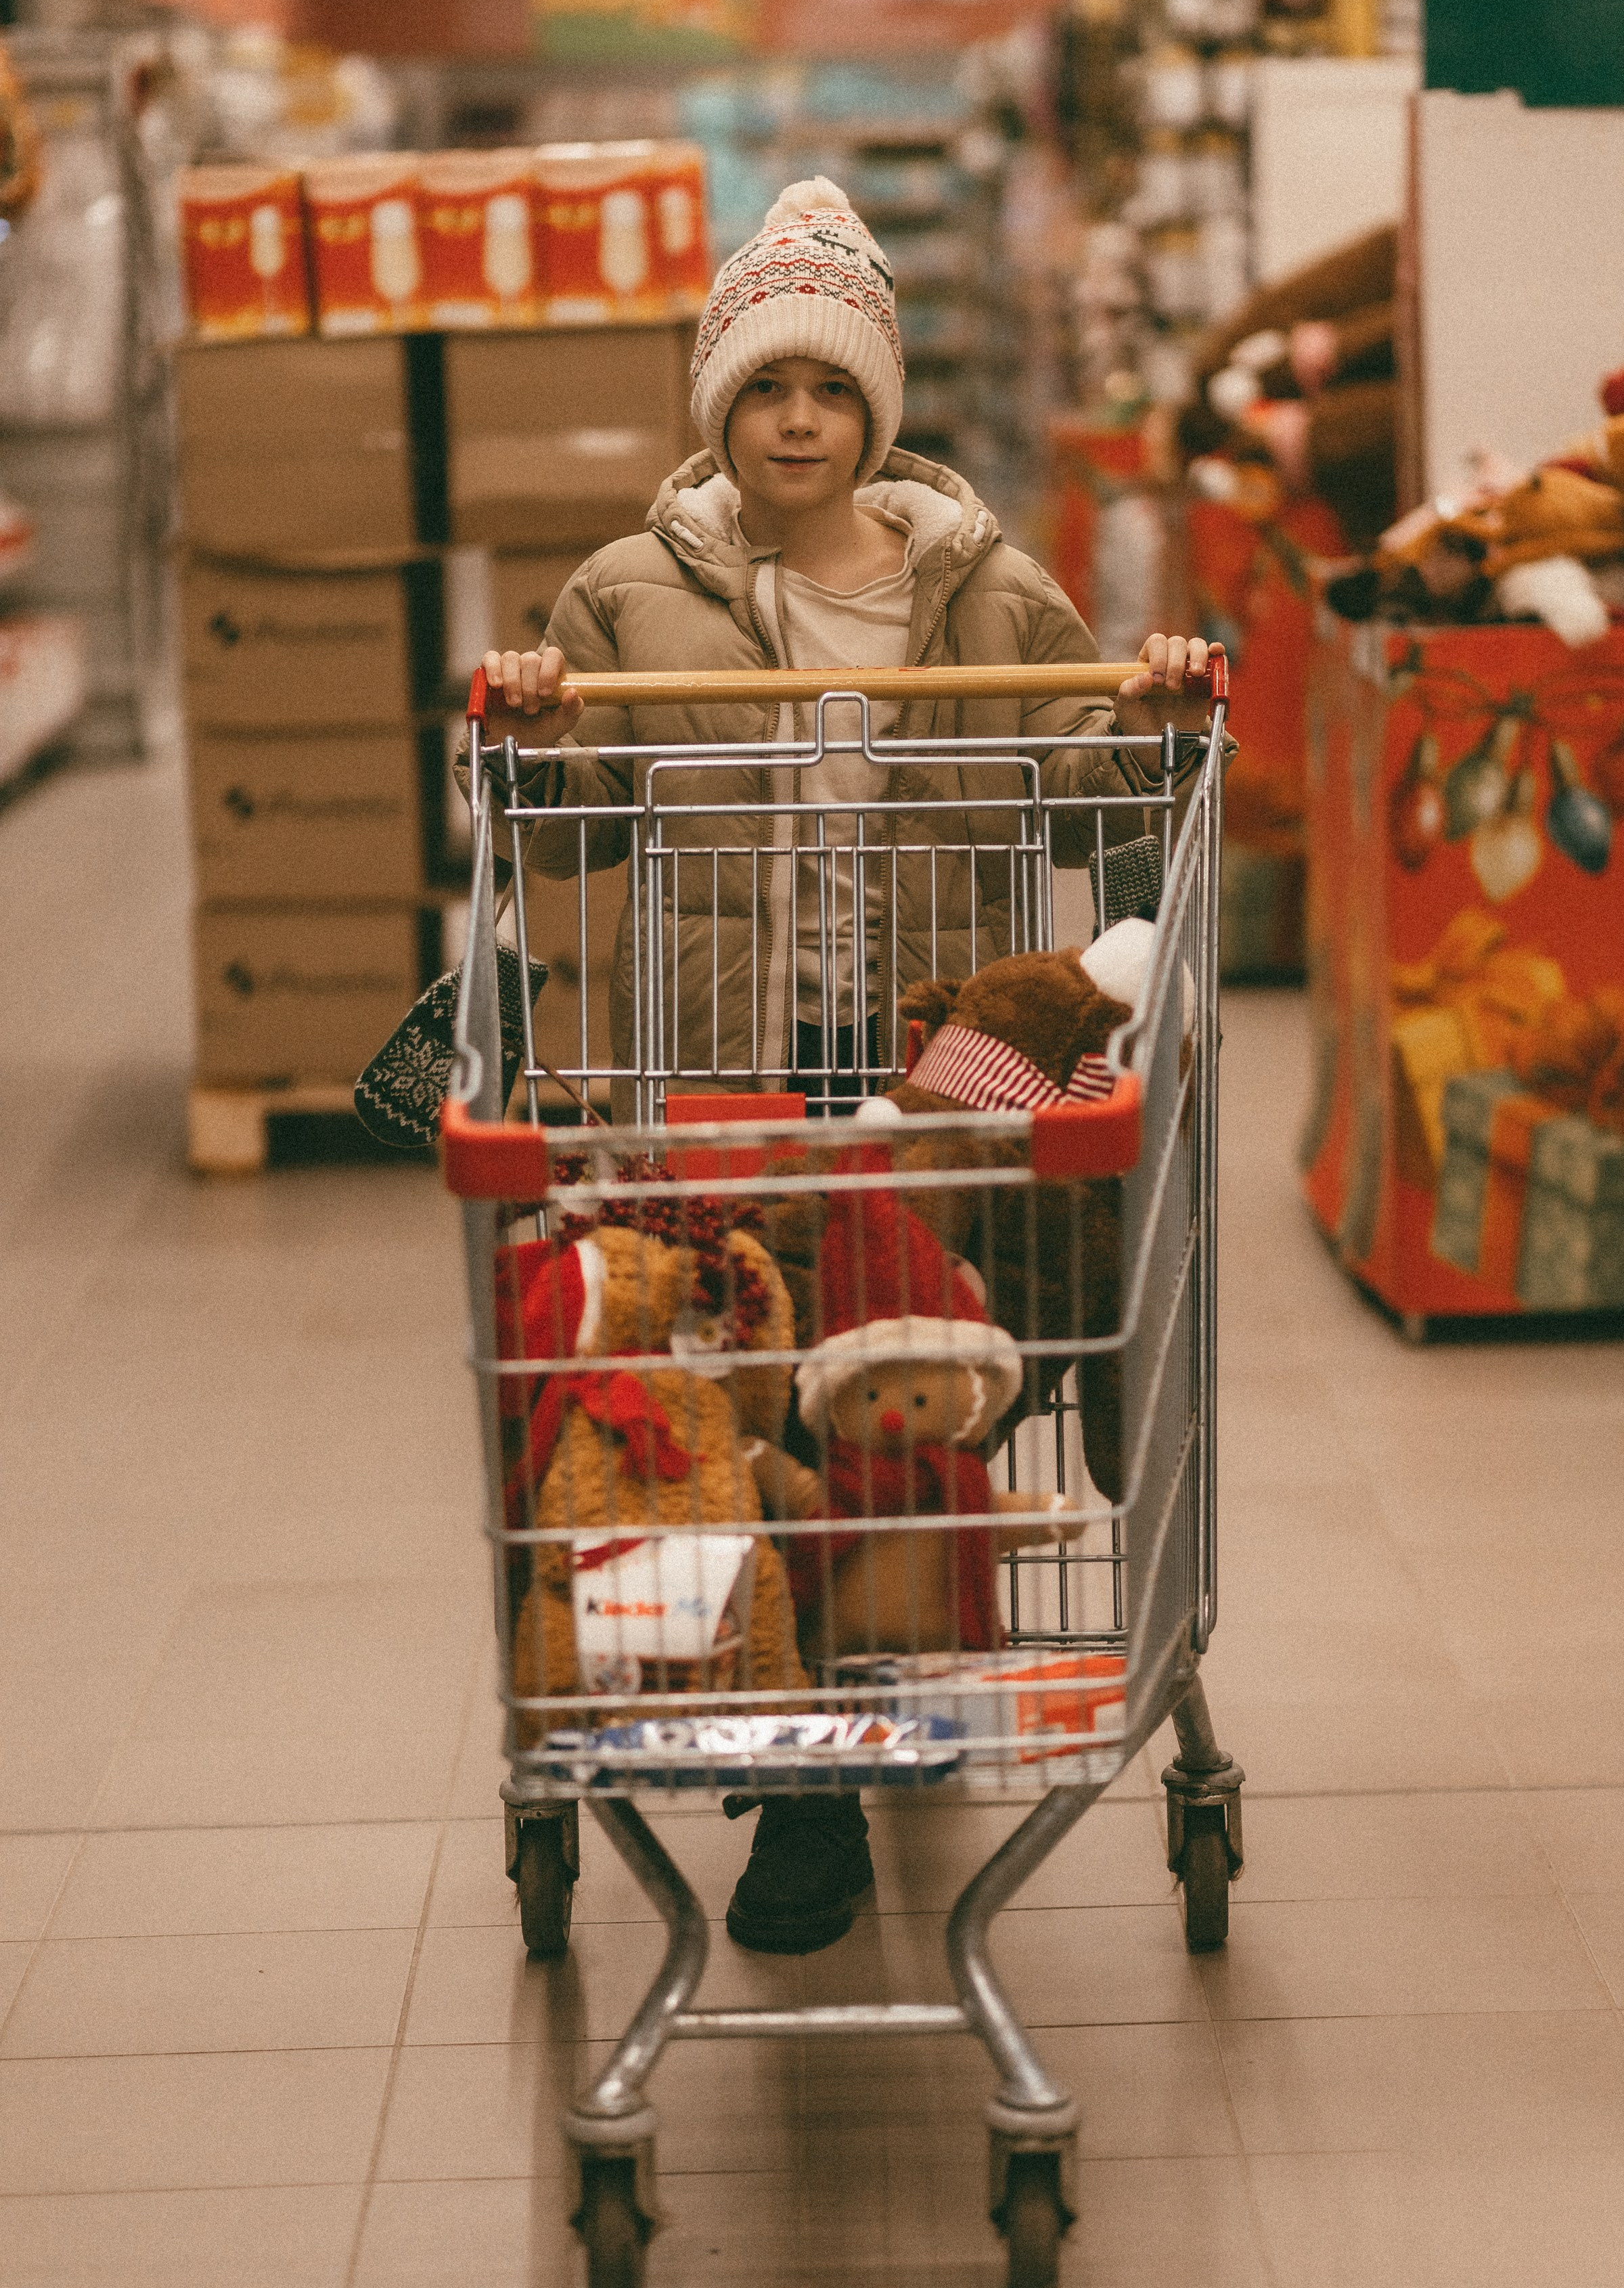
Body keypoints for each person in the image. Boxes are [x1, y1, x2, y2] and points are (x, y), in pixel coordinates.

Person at [462, 178, 1221, 1952]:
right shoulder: (630, 589)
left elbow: (1099, 775)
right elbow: (565, 832)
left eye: (832, 391)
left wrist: (1160, 704)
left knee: (910, 1356)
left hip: (949, 1055)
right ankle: (803, 1786)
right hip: (720, 1058)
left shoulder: (988, 585)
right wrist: (540, 726)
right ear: (718, 405)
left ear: (877, 411)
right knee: (738, 1385)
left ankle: (864, 1689)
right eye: (764, 389)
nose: (797, 421)